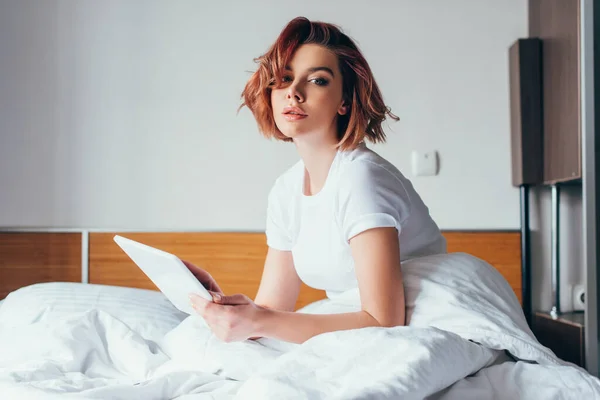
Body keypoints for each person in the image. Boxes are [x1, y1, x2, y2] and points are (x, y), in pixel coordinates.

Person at [186, 16, 446, 344]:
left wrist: (258, 321)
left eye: (318, 80)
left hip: (425, 325)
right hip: (363, 326)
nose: (293, 93)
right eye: (284, 79)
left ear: (345, 101)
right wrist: (221, 303)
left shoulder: (361, 178)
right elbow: (269, 312)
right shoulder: (285, 191)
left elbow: (385, 321)